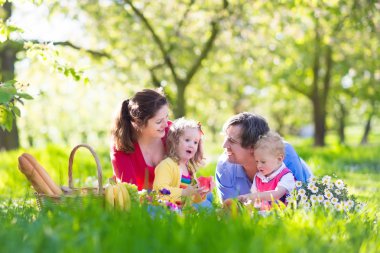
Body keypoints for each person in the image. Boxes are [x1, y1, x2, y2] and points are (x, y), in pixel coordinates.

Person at [215, 112, 311, 203]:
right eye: (225, 138)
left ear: (252, 146)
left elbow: (300, 200)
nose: (224, 145)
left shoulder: (283, 153)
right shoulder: (225, 166)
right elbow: (230, 211)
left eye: (231, 141)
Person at [110, 88, 170, 190]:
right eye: (159, 121)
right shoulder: (122, 146)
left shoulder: (172, 132)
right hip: (142, 202)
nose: (166, 124)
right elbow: (130, 192)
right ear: (139, 123)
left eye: (167, 117)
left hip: (176, 199)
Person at [153, 118, 210, 205]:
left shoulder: (189, 168)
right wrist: (183, 193)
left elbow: (191, 197)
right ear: (174, 142)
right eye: (187, 140)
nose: (192, 145)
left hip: (185, 209)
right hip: (169, 208)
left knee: (208, 201)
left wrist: (200, 193)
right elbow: (160, 191)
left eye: (195, 142)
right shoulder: (166, 165)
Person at [237, 132, 295, 210]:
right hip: (264, 215)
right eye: (257, 161)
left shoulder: (286, 176)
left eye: (263, 162)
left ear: (279, 159)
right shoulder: (258, 176)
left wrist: (254, 196)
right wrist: (247, 200)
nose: (259, 166)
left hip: (281, 215)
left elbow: (276, 194)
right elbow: (255, 198)